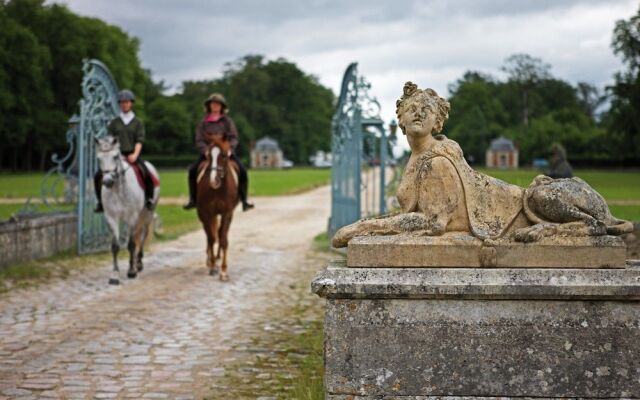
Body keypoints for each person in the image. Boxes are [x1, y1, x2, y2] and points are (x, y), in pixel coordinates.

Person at [183, 93, 254, 211]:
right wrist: (205, 151)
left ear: (222, 107)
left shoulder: (227, 122)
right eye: (213, 104)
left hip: (225, 153)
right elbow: (199, 139)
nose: (215, 106)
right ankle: (193, 199)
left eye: (218, 104)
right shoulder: (203, 123)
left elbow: (234, 137)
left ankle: (244, 199)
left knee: (243, 170)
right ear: (209, 106)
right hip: (209, 154)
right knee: (192, 171)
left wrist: (230, 149)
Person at [94, 89, 154, 212]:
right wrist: (113, 154)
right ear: (119, 104)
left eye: (127, 102)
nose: (124, 104)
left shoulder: (138, 122)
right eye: (122, 102)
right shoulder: (114, 123)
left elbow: (139, 141)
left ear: (131, 103)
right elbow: (110, 141)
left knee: (146, 172)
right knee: (97, 176)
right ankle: (100, 203)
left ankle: (149, 199)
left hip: (132, 154)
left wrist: (135, 155)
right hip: (116, 156)